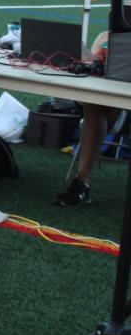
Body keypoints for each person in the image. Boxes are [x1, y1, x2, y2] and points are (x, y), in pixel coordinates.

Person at [55, 32, 114, 207]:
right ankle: (81, 182)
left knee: (95, 106)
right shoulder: (106, 37)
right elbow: (93, 73)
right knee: (94, 104)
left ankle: (82, 182)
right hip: (106, 102)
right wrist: (80, 50)